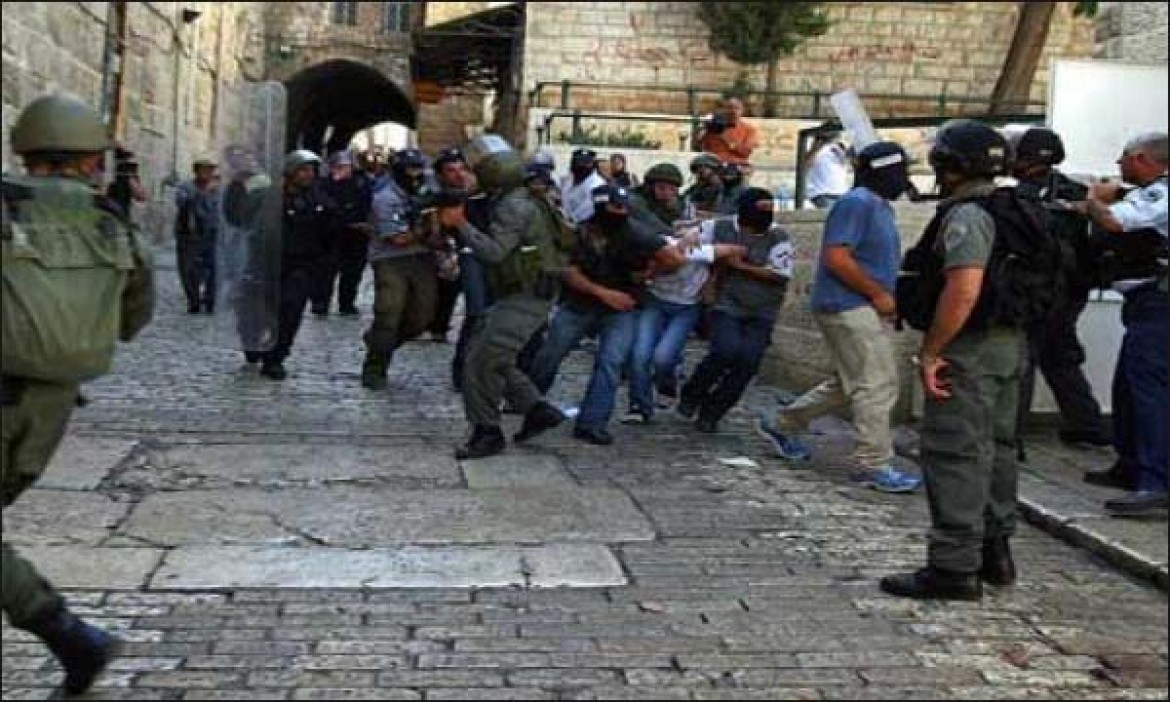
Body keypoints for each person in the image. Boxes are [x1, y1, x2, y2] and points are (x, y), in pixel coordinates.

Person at [2, 93, 155, 695]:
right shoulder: (111, 224)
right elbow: (134, 317)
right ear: (93, 159)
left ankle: (70, 636)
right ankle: (71, 638)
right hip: (50, 410)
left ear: (25, 150)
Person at [881, 120, 1030, 601]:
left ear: (949, 164)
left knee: (956, 450)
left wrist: (931, 352)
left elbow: (963, 289)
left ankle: (953, 567)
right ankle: (995, 553)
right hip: (1009, 345)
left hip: (969, 348)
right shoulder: (1016, 208)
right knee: (998, 448)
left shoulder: (968, 215)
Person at [755, 142, 923, 494]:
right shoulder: (857, 203)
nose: (905, 177)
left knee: (850, 382)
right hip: (849, 304)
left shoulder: (875, 205)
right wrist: (877, 295)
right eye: (901, 170)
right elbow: (837, 258)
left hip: (856, 305)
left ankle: (783, 423)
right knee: (876, 385)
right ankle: (872, 464)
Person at [441, 135, 571, 460]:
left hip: (526, 295)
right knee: (491, 355)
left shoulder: (513, 205)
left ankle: (487, 432)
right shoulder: (519, 196)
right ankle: (536, 409)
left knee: (479, 362)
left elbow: (495, 252)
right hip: (524, 291)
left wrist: (461, 225)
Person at [527, 184, 685, 445]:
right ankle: (527, 402)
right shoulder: (580, 232)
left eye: (623, 207)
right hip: (580, 303)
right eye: (614, 207)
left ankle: (592, 422)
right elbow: (567, 271)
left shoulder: (637, 233)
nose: (620, 212)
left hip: (622, 307)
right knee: (550, 354)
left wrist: (649, 274)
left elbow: (674, 259)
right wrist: (603, 293)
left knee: (611, 362)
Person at [1069, 132, 1168, 518]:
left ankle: (1156, 484)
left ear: (1142, 158)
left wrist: (1094, 198)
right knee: (1127, 388)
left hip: (1159, 305)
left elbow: (1113, 221)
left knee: (1149, 392)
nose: (1117, 164)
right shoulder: (1146, 193)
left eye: (1123, 157)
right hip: (1145, 305)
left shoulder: (1162, 193)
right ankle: (1131, 466)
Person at [1008, 127, 1111, 454]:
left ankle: (1010, 437)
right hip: (1072, 291)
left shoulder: (1022, 198)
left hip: (1036, 291)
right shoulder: (1078, 193)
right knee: (1060, 357)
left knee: (1022, 360)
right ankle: (1087, 426)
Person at [677, 188, 793, 433]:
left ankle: (713, 412)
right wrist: (690, 237)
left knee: (748, 362)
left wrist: (741, 267)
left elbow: (780, 274)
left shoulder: (778, 236)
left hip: (763, 309)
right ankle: (692, 393)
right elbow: (690, 237)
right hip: (727, 303)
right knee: (724, 351)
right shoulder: (720, 227)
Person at [361, 148, 435, 390]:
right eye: (411, 170)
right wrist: (428, 228)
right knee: (389, 313)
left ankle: (381, 343)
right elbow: (397, 238)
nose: (416, 175)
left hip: (422, 257)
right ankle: (375, 368)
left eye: (418, 169)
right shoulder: (385, 198)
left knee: (423, 316)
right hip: (390, 259)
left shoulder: (426, 190)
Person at [258, 149, 335, 380]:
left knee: (291, 311)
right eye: (303, 170)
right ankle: (256, 345)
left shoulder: (318, 199)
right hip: (268, 263)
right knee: (263, 310)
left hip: (300, 265)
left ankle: (276, 357)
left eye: (311, 170)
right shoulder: (271, 197)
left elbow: (329, 231)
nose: (308, 175)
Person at [312, 150, 373, 317]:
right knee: (326, 271)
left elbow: (366, 203)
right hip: (331, 234)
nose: (341, 170)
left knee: (352, 271)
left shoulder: (362, 182)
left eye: (345, 166)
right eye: (338, 166)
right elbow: (324, 204)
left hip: (356, 234)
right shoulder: (324, 184)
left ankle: (346, 303)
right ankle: (320, 303)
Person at [425, 147, 473, 342]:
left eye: (461, 169)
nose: (458, 174)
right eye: (451, 170)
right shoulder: (432, 195)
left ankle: (440, 326)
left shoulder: (472, 193)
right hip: (438, 247)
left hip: (465, 245)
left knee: (454, 287)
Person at [175, 156, 220, 314]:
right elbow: (181, 202)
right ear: (196, 171)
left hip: (212, 234)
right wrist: (202, 193)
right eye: (204, 169)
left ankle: (210, 301)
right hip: (189, 235)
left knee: (213, 269)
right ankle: (193, 300)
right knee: (189, 270)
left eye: (210, 170)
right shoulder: (185, 186)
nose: (207, 173)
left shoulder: (218, 189)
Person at [692, 95, 759, 167]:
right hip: (713, 165)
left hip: (736, 165)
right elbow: (697, 149)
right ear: (724, 110)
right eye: (729, 108)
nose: (733, 111)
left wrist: (725, 138)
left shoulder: (749, 130)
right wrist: (697, 132)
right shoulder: (713, 127)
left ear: (742, 110)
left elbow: (745, 152)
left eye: (736, 108)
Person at [559, 148, 607, 226]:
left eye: (587, 163)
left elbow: (589, 207)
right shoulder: (570, 178)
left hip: (581, 225)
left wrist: (571, 219)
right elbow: (564, 195)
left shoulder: (598, 183)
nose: (583, 165)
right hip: (564, 219)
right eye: (580, 162)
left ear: (592, 164)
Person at [804, 131, 851, 209]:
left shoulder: (840, 146)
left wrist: (843, 152)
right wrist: (816, 148)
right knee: (831, 212)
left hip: (841, 192)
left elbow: (847, 164)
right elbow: (805, 164)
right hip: (821, 192)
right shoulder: (814, 144)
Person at [106, 145, 148, 218]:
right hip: (114, 207)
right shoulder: (124, 169)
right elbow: (140, 195)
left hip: (119, 207)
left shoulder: (128, 170)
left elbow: (141, 196)